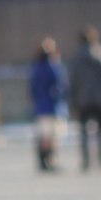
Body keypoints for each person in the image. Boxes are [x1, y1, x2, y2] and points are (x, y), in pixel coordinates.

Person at [65, 26, 101, 172]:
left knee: (84, 131)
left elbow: (72, 81)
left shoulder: (76, 58)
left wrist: (72, 99)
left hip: (83, 99)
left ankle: (86, 159)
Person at [27, 36, 66, 173]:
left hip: (40, 107)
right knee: (53, 135)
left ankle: (42, 160)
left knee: (43, 135)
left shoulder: (35, 68)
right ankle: (50, 160)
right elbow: (60, 87)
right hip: (53, 106)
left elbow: (32, 89)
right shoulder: (54, 67)